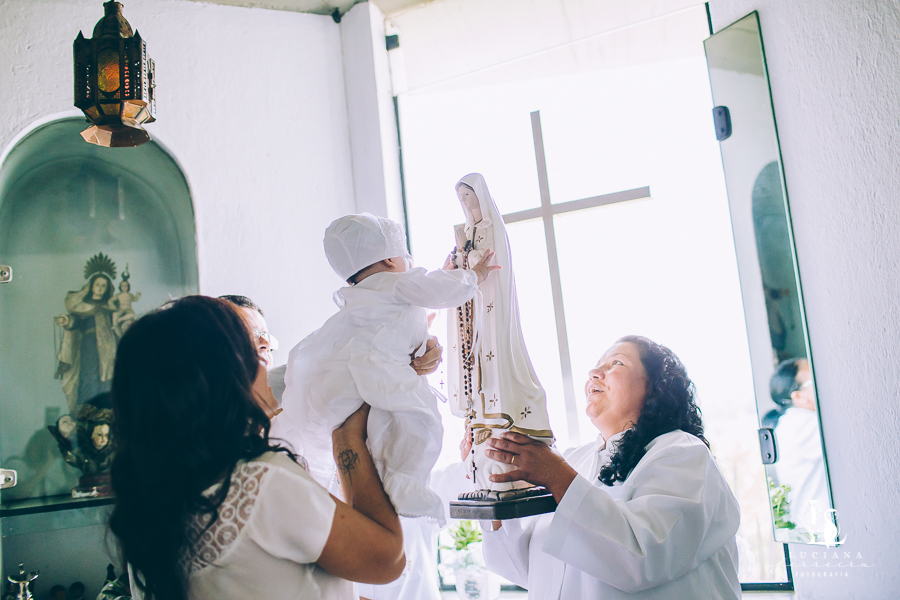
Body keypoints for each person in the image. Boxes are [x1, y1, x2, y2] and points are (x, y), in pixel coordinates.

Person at [108, 296, 405, 600]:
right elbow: (387, 560)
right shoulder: (260, 482)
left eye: (265, 349)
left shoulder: (156, 500)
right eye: (248, 352)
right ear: (222, 377)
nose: (264, 363)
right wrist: (347, 440)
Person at [476, 336, 741, 599]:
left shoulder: (684, 453)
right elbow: (531, 571)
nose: (594, 372)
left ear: (656, 387)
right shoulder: (574, 460)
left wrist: (555, 475)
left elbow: (644, 559)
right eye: (597, 364)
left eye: (616, 363)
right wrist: (491, 474)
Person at [282, 213, 499, 524]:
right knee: (421, 423)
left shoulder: (360, 294)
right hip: (380, 372)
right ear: (388, 259)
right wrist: (474, 275)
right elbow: (438, 291)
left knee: (384, 431)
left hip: (343, 377)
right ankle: (403, 484)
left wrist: (442, 275)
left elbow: (420, 299)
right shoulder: (397, 283)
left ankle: (387, 481)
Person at [446, 173, 553, 494]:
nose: (464, 202)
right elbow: (456, 269)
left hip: (492, 306)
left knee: (495, 359)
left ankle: (504, 422)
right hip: (472, 308)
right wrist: (456, 261)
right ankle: (481, 428)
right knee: (476, 367)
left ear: (480, 195)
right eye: (461, 197)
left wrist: (467, 260)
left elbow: (493, 264)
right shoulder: (465, 232)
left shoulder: (493, 229)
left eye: (468, 194)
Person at [768, 358, 829, 534]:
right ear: (798, 397)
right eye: (814, 377)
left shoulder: (792, 422)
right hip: (823, 530)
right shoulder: (801, 425)